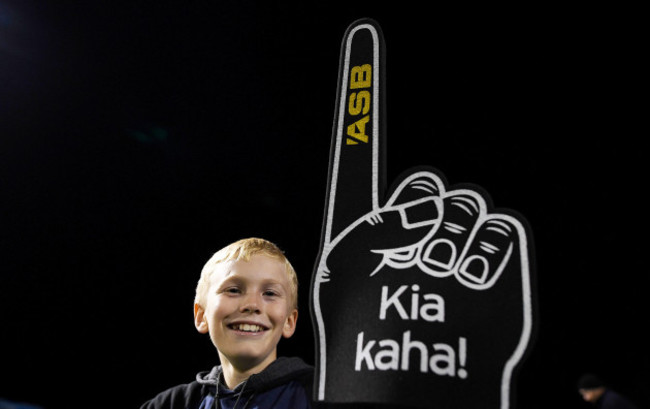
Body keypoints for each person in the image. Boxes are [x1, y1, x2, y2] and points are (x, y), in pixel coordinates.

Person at [140, 237, 313, 409]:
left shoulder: (322, 397)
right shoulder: (171, 405)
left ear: (289, 321)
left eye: (269, 293)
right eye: (233, 290)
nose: (252, 305)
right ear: (201, 316)